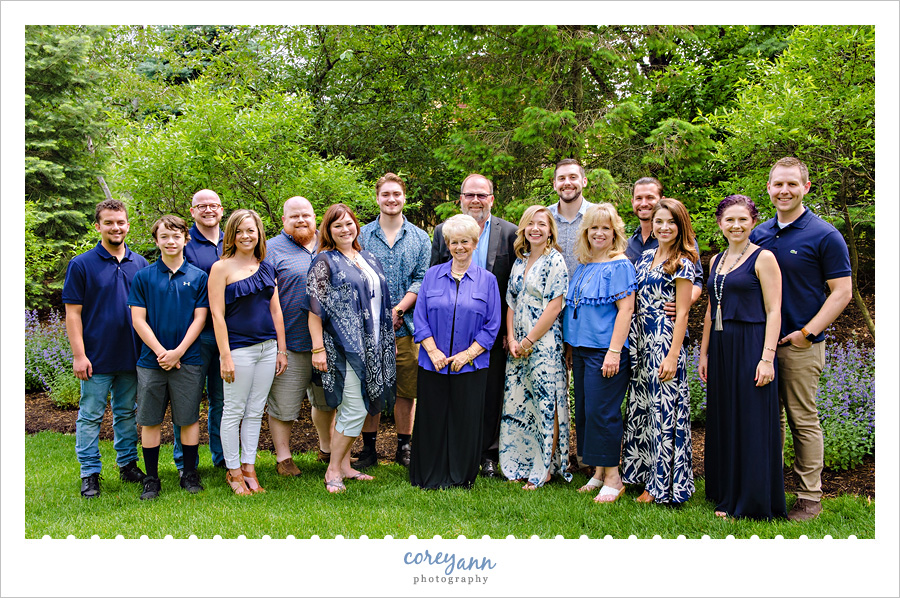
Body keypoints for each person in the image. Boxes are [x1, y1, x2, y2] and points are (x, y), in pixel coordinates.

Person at [750, 157, 852, 521]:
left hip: (799, 344)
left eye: (792, 184)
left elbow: (842, 292)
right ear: (769, 188)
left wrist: (808, 333)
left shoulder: (824, 234)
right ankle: (770, 490)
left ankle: (809, 498)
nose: (784, 190)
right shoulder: (758, 233)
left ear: (805, 187)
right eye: (778, 184)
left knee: (802, 420)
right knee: (767, 420)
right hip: (761, 345)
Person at [699, 195, 786, 520]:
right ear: (720, 223)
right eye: (729, 220)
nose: (736, 226)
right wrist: (704, 352)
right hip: (721, 346)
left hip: (751, 344)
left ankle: (750, 500)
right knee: (725, 417)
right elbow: (710, 309)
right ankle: (725, 492)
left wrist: (767, 358)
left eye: (743, 220)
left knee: (749, 420)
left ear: (752, 222)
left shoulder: (764, 258)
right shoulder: (716, 260)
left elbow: (774, 310)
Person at [431, 173, 517, 478]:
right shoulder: (444, 231)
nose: (476, 200)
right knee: (455, 394)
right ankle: (453, 449)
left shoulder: (510, 233)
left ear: (492, 199)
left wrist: (509, 332)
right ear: (461, 199)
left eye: (482, 195)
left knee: (490, 394)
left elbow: (515, 287)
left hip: (491, 332)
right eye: (470, 195)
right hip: (450, 333)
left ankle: (487, 454)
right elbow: (433, 281)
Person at [307, 204, 396, 494]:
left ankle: (345, 466)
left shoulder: (367, 257)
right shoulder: (324, 261)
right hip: (342, 348)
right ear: (328, 231)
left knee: (356, 406)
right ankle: (333, 469)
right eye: (337, 226)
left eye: (349, 224)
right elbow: (314, 309)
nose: (345, 229)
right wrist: (318, 349)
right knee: (354, 408)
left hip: (372, 344)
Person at [63, 199, 150, 498]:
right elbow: (73, 313)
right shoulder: (81, 264)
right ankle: (90, 472)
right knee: (91, 415)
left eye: (120, 222)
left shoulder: (140, 264)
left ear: (127, 225)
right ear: (98, 226)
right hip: (96, 357)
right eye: (109, 223)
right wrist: (79, 354)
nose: (116, 227)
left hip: (132, 354)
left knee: (127, 413)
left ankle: (127, 464)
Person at [412, 214, 501, 489]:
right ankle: (428, 474)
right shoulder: (431, 276)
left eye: (465, 241)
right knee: (432, 418)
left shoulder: (488, 281)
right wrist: (434, 352)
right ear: (447, 245)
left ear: (475, 243)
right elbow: (420, 317)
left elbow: (492, 325)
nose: (459, 247)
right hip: (433, 364)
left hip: (471, 366)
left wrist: (466, 356)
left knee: (465, 420)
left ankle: (461, 476)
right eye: (453, 242)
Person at [128, 215, 209, 500]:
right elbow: (139, 320)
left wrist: (178, 352)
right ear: (157, 241)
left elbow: (201, 318)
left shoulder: (199, 277)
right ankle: (151, 478)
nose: (171, 241)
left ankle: (189, 473)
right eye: (164, 237)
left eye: (176, 236)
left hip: (188, 359)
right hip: (152, 361)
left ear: (186, 239)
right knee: (150, 421)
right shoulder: (144, 277)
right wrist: (162, 352)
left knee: (187, 420)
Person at [621, 198, 697, 505]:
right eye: (659, 221)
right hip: (640, 341)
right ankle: (639, 472)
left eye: (671, 222)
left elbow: (682, 312)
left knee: (664, 413)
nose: (664, 227)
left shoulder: (683, 262)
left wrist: (672, 355)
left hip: (664, 342)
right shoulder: (645, 257)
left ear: (680, 226)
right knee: (643, 409)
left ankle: (661, 485)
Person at [209, 209, 289, 496]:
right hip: (238, 350)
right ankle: (232, 472)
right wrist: (225, 355)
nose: (246, 236)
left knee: (255, 411)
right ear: (231, 235)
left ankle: (249, 467)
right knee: (233, 411)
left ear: (259, 234)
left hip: (268, 349)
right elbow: (217, 316)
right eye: (240, 231)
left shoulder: (266, 266)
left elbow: (276, 310)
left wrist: (282, 349)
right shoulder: (221, 268)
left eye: (251, 230)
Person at [563, 204, 636, 503]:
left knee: (603, 414)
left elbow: (626, 310)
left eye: (606, 228)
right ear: (586, 232)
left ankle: (614, 477)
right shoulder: (583, 264)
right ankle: (598, 472)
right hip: (580, 350)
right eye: (594, 227)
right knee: (586, 412)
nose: (599, 233)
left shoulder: (619, 265)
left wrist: (614, 351)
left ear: (615, 232)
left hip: (604, 351)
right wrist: (570, 347)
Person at [358, 173, 431, 468]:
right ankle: (368, 449)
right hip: (368, 328)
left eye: (396, 194)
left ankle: (404, 446)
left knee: (406, 390)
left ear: (404, 198)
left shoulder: (420, 238)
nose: (391, 199)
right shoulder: (361, 236)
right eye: (386, 194)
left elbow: (421, 279)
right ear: (377, 198)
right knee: (371, 387)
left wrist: (398, 310)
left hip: (408, 326)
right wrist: (379, 315)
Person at [498, 205, 571, 490]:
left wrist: (529, 341)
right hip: (518, 347)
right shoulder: (520, 261)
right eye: (531, 224)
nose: (536, 229)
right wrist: (513, 339)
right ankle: (520, 462)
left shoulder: (556, 261)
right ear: (524, 230)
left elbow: (554, 306)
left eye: (542, 224)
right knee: (520, 404)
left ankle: (546, 468)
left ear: (550, 229)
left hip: (544, 345)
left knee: (545, 404)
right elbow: (511, 303)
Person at [264, 196, 330, 477]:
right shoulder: (270, 249)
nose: (301, 220)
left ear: (315, 217)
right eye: (294, 216)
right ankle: (284, 457)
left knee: (326, 402)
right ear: (283, 221)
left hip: (329, 344)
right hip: (289, 342)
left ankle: (326, 450)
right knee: (284, 405)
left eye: (306, 215)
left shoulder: (328, 242)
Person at [174, 189, 225, 473]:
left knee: (221, 401)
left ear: (221, 210)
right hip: (194, 335)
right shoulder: (185, 244)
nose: (208, 210)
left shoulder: (231, 242)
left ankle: (221, 458)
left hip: (227, 335)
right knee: (188, 400)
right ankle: (185, 462)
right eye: (201, 206)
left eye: (213, 205)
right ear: (192, 211)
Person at [625, 177, 704, 310]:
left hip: (666, 322)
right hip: (636, 325)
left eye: (650, 197)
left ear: (661, 200)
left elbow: (697, 280)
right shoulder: (627, 244)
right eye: (639, 198)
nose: (644, 203)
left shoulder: (680, 240)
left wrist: (682, 305)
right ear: (633, 202)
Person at [547, 158, 595, 277]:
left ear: (584, 181)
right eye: (562, 178)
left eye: (573, 177)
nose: (567, 183)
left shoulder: (597, 215)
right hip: (550, 294)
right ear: (555, 185)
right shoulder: (544, 218)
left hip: (589, 293)